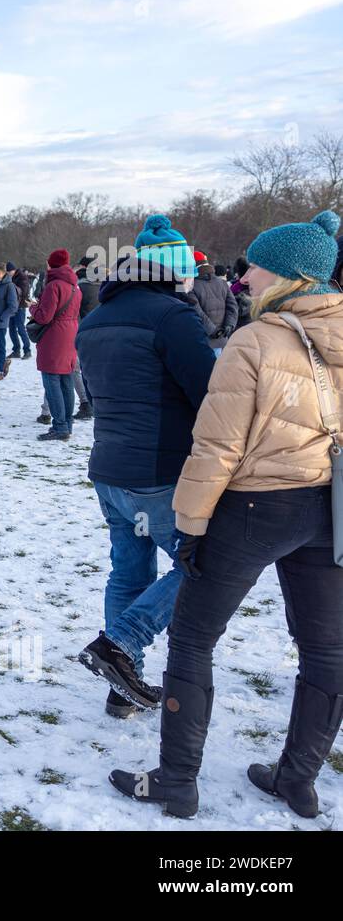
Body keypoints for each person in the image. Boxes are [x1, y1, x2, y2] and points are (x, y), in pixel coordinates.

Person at [111, 210, 343, 820]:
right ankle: (298, 779)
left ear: (292, 275)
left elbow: (218, 447)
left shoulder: (256, 340)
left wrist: (188, 524)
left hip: (258, 506)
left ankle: (177, 780)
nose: (246, 275)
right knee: (325, 649)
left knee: (191, 638)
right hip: (331, 504)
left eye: (259, 264)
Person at [74, 214, 212, 719]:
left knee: (129, 571)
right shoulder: (172, 317)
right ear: (173, 271)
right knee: (203, 566)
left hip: (109, 468)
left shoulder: (96, 318)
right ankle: (122, 645)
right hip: (158, 471)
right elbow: (210, 394)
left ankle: (119, 684)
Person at [28, 249, 82, 440]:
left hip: (54, 338)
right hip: (70, 335)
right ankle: (67, 425)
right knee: (66, 382)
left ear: (52, 264)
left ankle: (59, 427)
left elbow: (45, 316)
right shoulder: (75, 286)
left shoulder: (54, 286)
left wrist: (33, 307)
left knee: (52, 382)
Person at [191, 253, 239, 355]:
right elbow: (233, 306)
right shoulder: (222, 283)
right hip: (223, 341)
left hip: (203, 341)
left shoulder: (191, 286)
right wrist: (229, 325)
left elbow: (197, 312)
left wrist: (213, 331)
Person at [7, 263, 33, 360]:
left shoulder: (22, 277)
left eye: (10, 272)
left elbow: (24, 292)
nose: (8, 274)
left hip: (20, 307)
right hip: (12, 307)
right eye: (7, 272)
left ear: (14, 270)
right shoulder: (9, 278)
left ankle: (27, 350)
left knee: (21, 329)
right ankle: (16, 350)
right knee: (12, 329)